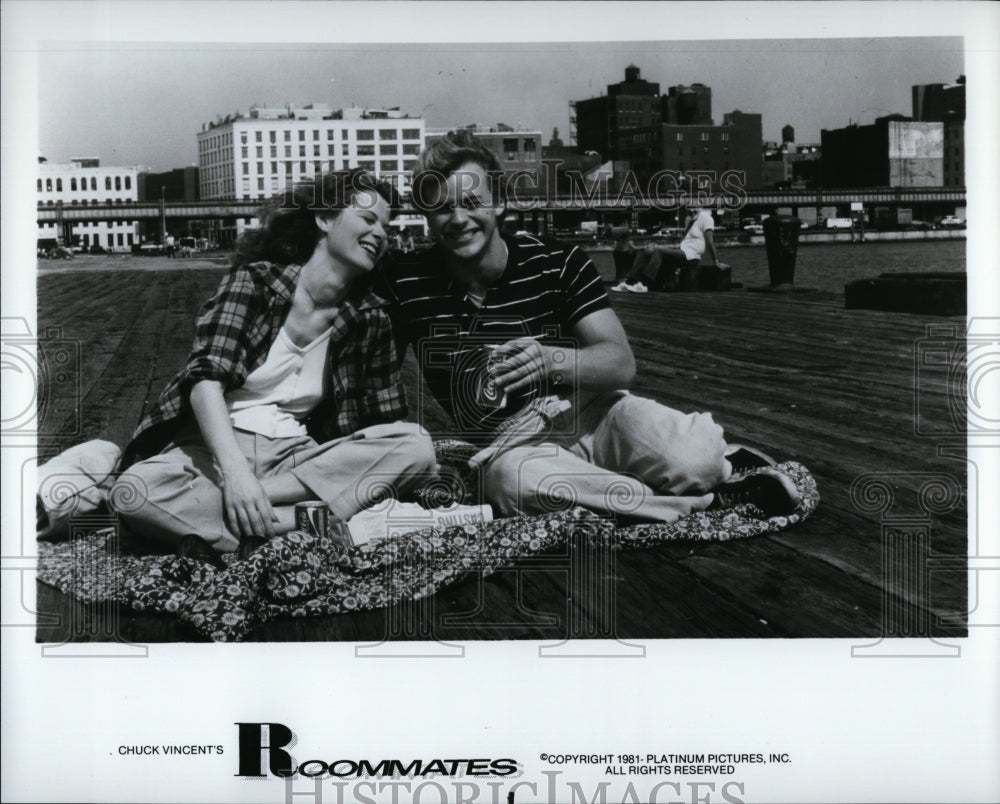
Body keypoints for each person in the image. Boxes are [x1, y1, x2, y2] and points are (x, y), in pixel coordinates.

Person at [380, 130, 799, 524]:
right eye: (441, 207)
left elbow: (620, 363)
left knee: (699, 459)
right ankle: (708, 500)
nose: (457, 218)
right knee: (508, 484)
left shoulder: (557, 261)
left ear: (500, 203)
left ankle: (713, 465)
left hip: (590, 408)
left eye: (472, 202)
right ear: (424, 215)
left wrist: (551, 360)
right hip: (511, 444)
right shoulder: (405, 279)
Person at [111, 169, 437, 556]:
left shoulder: (371, 318)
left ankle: (253, 523)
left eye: (386, 225)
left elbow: (386, 423)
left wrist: (253, 489)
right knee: (134, 493)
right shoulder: (256, 284)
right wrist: (234, 475)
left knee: (416, 445)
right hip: (213, 451)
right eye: (368, 219)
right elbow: (204, 382)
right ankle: (313, 526)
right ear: (324, 218)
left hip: (296, 462)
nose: (381, 234)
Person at [612, 204, 728, 293]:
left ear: (701, 206)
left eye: (694, 207)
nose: (691, 210)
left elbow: (709, 241)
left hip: (691, 256)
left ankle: (644, 284)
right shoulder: (689, 219)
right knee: (648, 251)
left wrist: (716, 261)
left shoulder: (706, 218)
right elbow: (686, 241)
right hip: (682, 252)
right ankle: (629, 282)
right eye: (689, 207)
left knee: (658, 250)